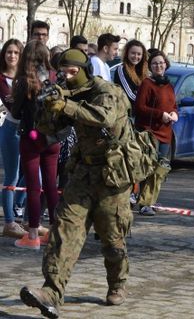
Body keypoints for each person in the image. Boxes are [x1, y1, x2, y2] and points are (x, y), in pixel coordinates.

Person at [19, 49, 135, 316]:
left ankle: (117, 283)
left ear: (84, 70)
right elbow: (48, 129)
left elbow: (102, 117)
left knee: (112, 238)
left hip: (112, 176)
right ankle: (50, 292)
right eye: (64, 73)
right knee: (64, 230)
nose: (68, 78)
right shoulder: (66, 92)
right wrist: (50, 108)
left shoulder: (107, 91)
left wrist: (67, 105)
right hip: (82, 173)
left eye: (74, 72)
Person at [11, 40, 60, 249]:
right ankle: (56, 232)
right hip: (53, 138)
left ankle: (32, 236)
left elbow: (16, 112)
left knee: (33, 186)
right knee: (51, 185)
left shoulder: (24, 82)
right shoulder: (55, 78)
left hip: (31, 138)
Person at [134, 51, 177, 216]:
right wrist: (161, 115)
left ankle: (150, 200)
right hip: (150, 133)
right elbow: (140, 107)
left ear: (166, 64)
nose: (158, 66)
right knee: (148, 168)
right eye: (155, 64)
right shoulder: (147, 83)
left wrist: (174, 113)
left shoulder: (169, 85)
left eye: (161, 63)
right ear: (150, 67)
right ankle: (144, 202)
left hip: (166, 133)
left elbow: (173, 105)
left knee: (161, 169)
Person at [0, 39, 27, 239]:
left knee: (34, 174)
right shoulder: (2, 78)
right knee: (12, 177)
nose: (12, 56)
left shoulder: (25, 77)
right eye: (9, 52)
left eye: (16, 52)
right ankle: (9, 222)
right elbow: (12, 106)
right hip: (12, 129)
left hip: (28, 131)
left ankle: (22, 214)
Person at [114, 39, 148, 113]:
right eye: (133, 53)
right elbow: (129, 94)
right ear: (127, 53)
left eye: (139, 54)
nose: (136, 56)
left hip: (139, 113)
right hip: (126, 114)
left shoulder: (142, 71)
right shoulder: (121, 69)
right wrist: (145, 104)